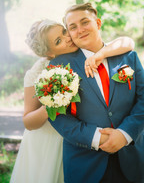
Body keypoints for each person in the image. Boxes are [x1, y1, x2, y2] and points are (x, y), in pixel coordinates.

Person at [10, 19, 135, 183]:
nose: (68, 38)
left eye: (63, 31)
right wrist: (51, 103)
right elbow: (28, 122)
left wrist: (101, 54)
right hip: (51, 141)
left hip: (81, 135)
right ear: (49, 54)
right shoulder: (38, 72)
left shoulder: (85, 49)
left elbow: (127, 42)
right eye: (58, 41)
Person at [49, 3, 144, 183]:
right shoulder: (58, 67)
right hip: (85, 163)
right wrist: (96, 137)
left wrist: (125, 134)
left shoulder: (128, 57)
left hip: (130, 157)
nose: (80, 30)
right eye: (72, 27)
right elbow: (57, 116)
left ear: (98, 23)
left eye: (85, 22)